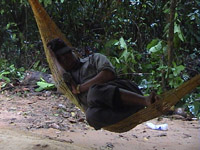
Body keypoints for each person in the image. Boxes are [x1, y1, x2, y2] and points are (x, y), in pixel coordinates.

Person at [47, 38, 159, 130]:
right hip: (117, 111)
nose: (68, 59)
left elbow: (108, 74)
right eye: (62, 59)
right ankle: (135, 113)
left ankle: (145, 100)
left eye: (68, 54)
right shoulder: (68, 79)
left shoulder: (93, 59)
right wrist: (54, 60)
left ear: (73, 52)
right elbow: (60, 77)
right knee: (91, 116)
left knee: (94, 92)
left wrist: (80, 88)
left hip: (127, 92)